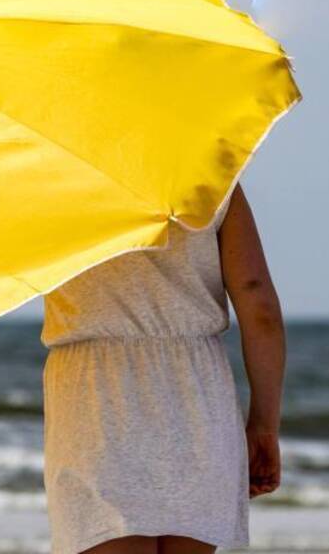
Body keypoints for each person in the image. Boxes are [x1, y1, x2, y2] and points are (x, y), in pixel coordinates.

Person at [40, 184, 285, 554]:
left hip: (96, 394)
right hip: (199, 390)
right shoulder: (209, 171)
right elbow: (258, 304)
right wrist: (264, 424)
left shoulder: (51, 177)